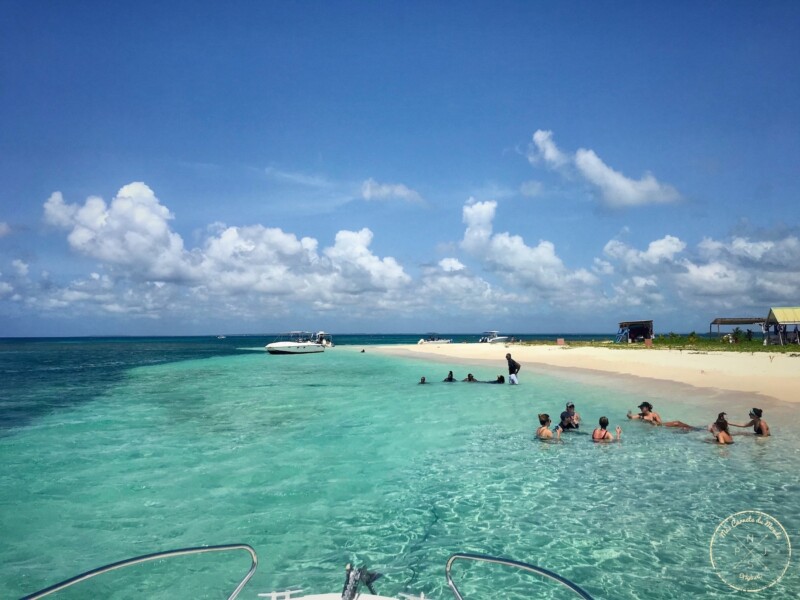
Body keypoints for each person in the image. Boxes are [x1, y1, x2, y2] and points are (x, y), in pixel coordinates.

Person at [627, 402, 694, 429]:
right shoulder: (640, 415)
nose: (641, 409)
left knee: (678, 423)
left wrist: (652, 422)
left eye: (642, 407)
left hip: (663, 426)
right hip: (661, 429)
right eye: (640, 408)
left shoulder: (654, 414)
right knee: (680, 426)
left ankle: (695, 428)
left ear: (647, 408)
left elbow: (660, 423)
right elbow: (631, 417)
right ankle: (693, 429)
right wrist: (629, 414)